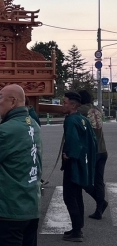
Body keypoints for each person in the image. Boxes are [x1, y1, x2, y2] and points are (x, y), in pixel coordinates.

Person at [0, 84, 42, 246]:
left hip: (9, 208)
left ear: (13, 102)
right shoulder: (33, 124)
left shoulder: (6, 130)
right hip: (31, 205)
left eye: (0, 97)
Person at [61, 91, 97, 242]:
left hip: (73, 163)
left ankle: (76, 231)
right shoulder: (83, 119)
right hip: (83, 161)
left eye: (65, 102)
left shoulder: (70, 121)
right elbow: (93, 140)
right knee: (77, 195)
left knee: (69, 197)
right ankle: (78, 227)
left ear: (73, 105)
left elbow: (73, 140)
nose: (63, 105)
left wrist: (69, 155)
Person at [78, 90, 108, 219]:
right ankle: (99, 208)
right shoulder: (97, 109)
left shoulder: (81, 111)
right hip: (103, 150)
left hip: (92, 151)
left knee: (84, 180)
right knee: (99, 181)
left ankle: (101, 202)